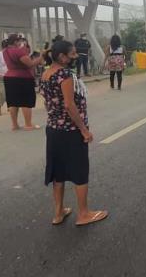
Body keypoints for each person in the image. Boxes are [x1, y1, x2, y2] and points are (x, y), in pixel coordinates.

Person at [39, 40, 108, 227]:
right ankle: (84, 213)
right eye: (73, 54)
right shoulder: (65, 75)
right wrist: (84, 130)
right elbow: (69, 105)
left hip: (53, 130)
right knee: (79, 170)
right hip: (71, 131)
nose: (75, 57)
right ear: (62, 57)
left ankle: (58, 212)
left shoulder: (45, 73)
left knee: (58, 172)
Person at [3, 34, 41, 131]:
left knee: (12, 102)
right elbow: (30, 64)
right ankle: (28, 124)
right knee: (26, 101)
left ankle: (15, 125)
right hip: (22, 77)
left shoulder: (5, 51)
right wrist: (40, 58)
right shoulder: (18, 51)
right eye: (20, 40)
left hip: (9, 76)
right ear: (16, 41)